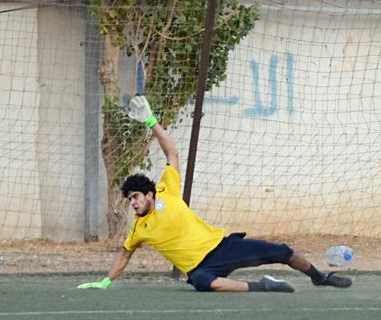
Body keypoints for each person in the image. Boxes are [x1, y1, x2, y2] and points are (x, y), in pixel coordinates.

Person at [77, 96, 353, 293]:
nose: (133, 203)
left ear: (149, 193)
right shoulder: (139, 228)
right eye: (130, 200)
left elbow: (171, 153)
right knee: (203, 283)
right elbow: (124, 255)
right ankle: (264, 286)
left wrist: (152, 121)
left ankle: (319, 276)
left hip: (222, 247)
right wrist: (105, 281)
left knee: (283, 252)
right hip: (200, 267)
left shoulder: (166, 189)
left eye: (136, 196)